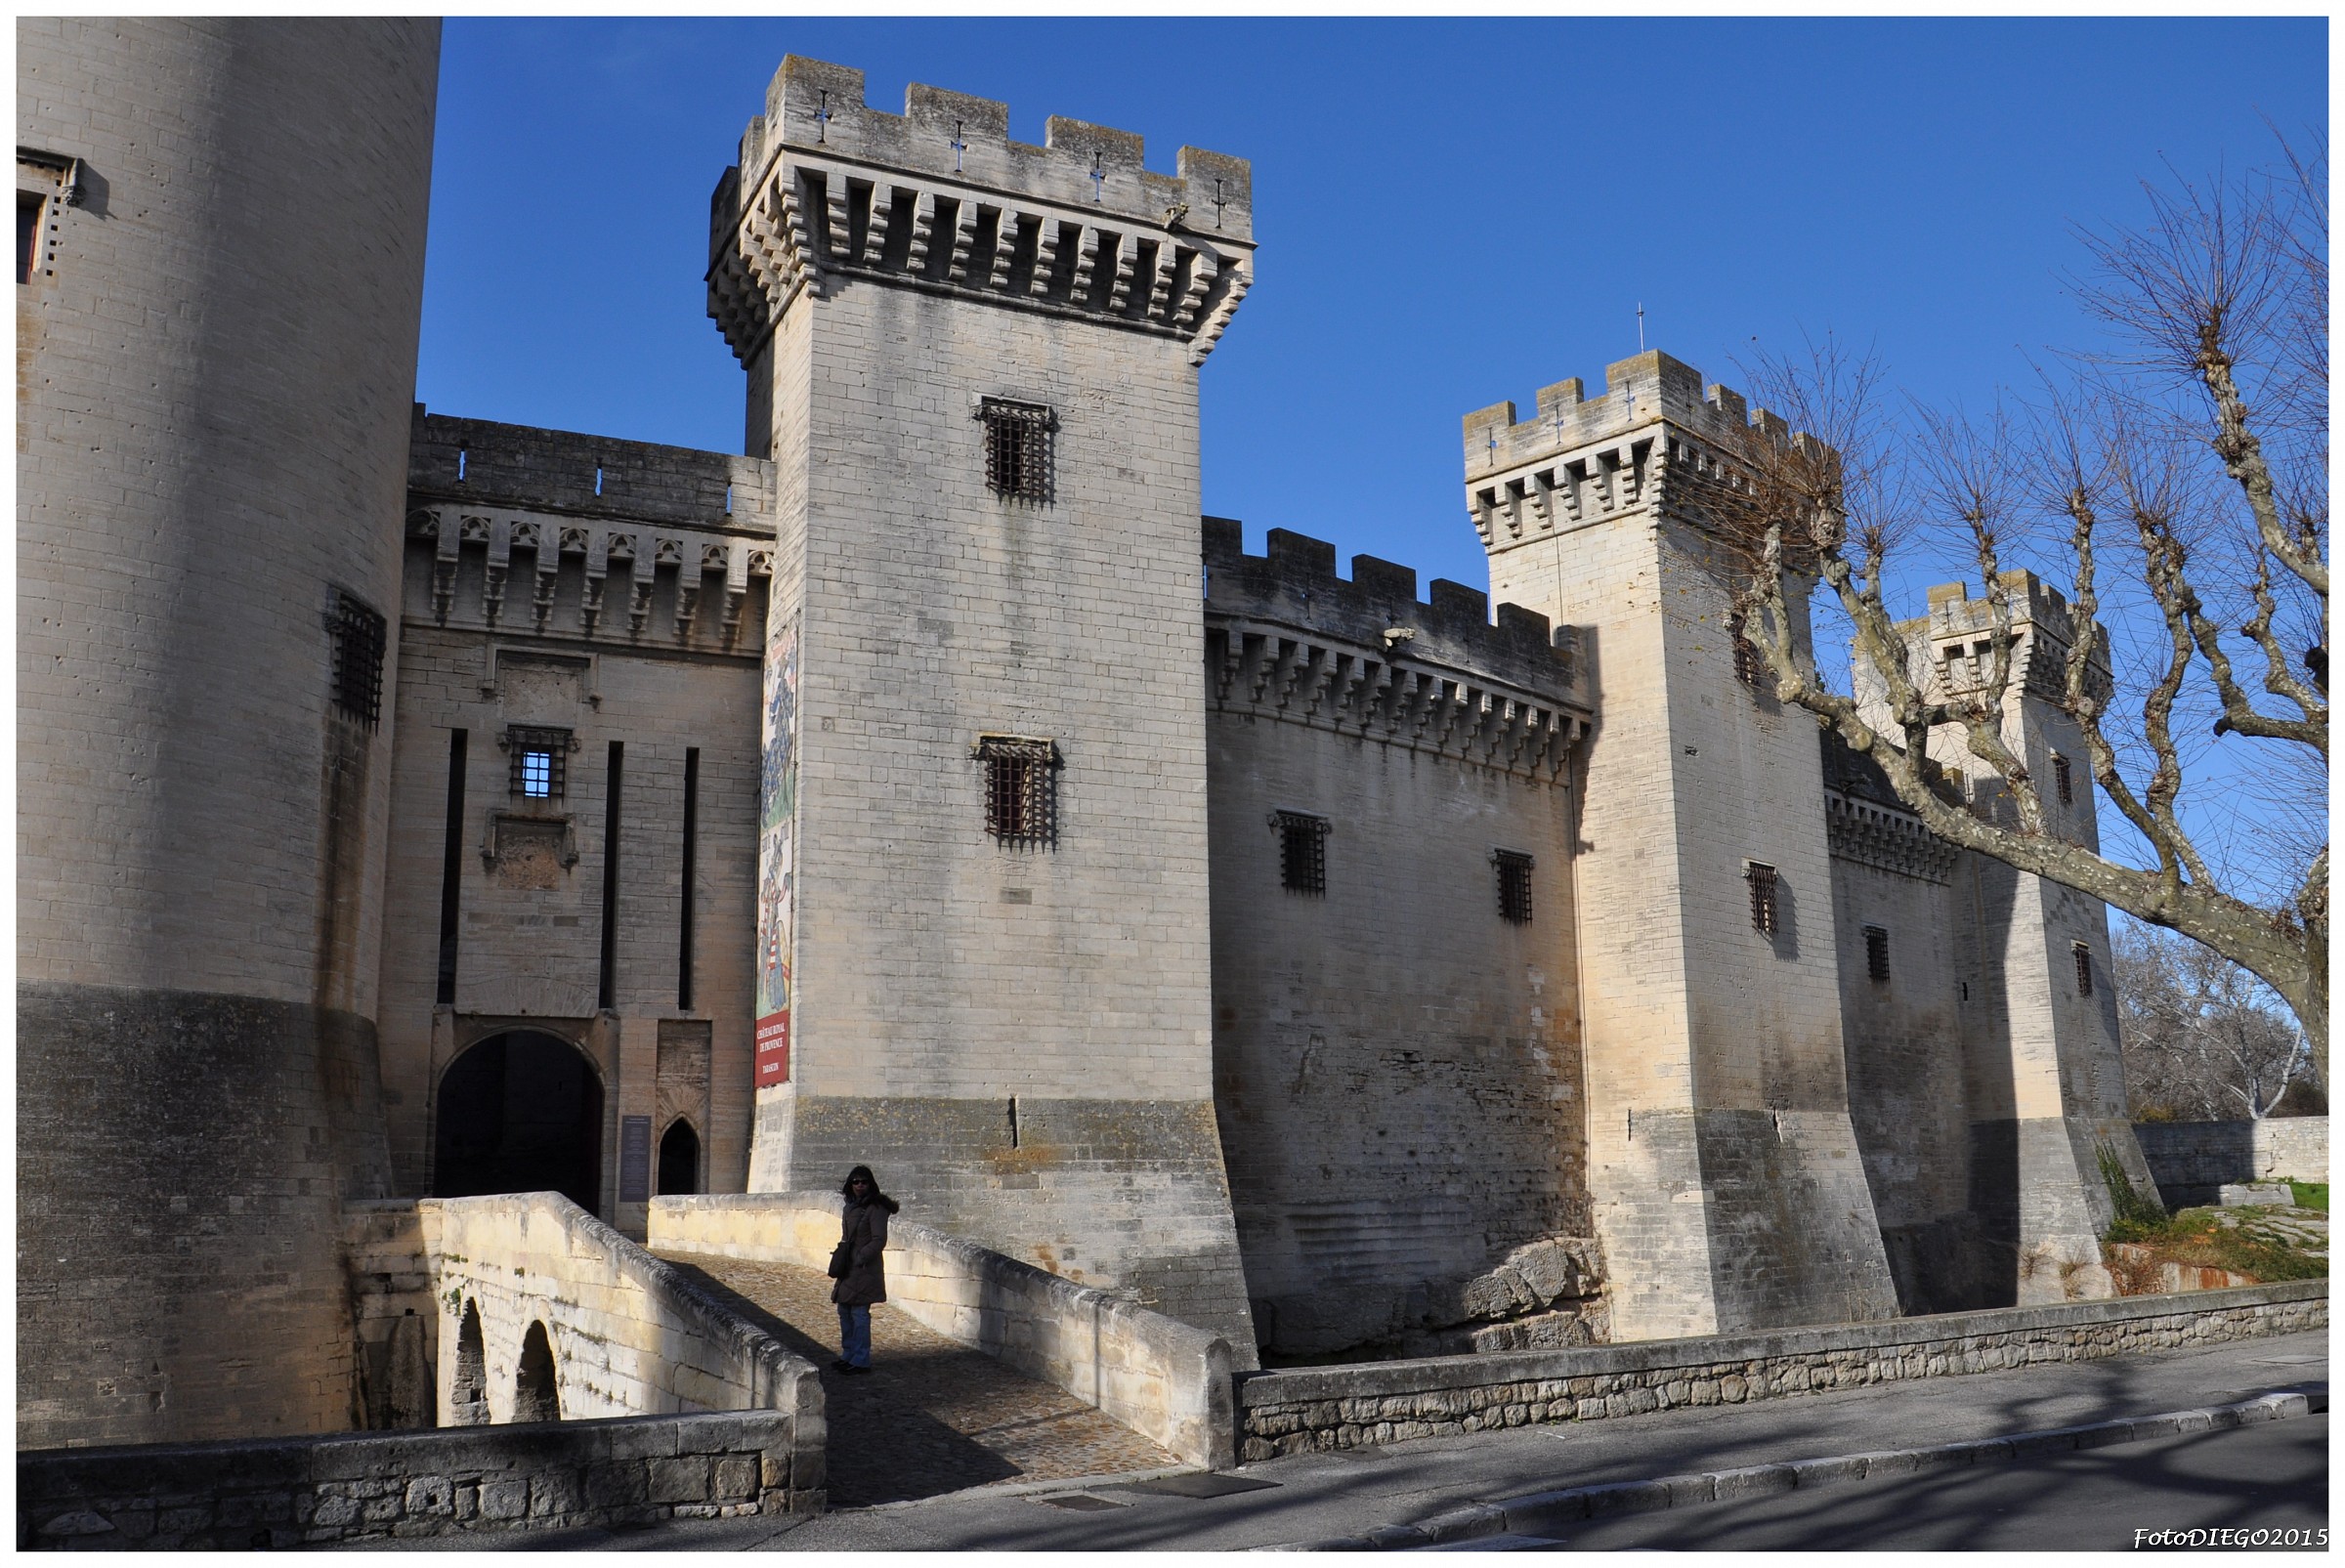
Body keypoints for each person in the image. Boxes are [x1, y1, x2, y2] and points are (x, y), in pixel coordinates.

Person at [829, 1165, 897, 1375]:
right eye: (856, 1181)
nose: (859, 1185)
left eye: (864, 1182)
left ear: (871, 1184)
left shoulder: (876, 1208)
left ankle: (861, 1359)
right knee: (844, 1310)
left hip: (865, 1268)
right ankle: (848, 1354)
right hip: (849, 1266)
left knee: (859, 1313)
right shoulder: (849, 1207)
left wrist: (860, 1257)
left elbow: (879, 1240)